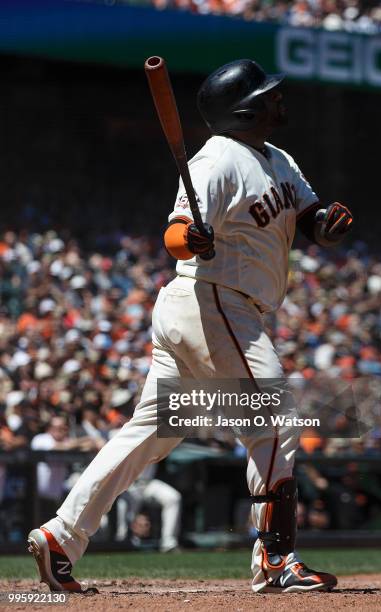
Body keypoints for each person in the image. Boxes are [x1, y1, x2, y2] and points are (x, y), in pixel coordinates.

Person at [28, 59, 353, 594]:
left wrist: (327, 225)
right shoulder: (217, 158)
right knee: (275, 418)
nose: (278, 98)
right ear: (246, 108)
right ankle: (276, 558)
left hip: (204, 309)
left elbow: (309, 216)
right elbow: (176, 232)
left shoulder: (278, 159)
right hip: (215, 302)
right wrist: (190, 240)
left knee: (152, 431)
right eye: (268, 94)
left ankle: (61, 535)